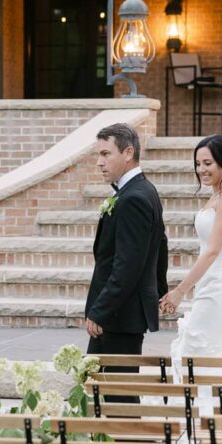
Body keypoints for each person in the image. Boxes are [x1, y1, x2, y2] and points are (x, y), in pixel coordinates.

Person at [160, 134, 222, 373]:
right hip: (211, 282)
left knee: (196, 352)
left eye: (207, 163)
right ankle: (207, 407)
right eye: (198, 164)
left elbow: (212, 251)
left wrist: (179, 292)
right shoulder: (217, 194)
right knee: (202, 353)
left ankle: (212, 406)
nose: (201, 170)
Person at [85, 123, 169, 370]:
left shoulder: (134, 198)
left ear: (128, 153)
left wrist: (100, 311)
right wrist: (158, 290)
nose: (99, 162)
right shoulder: (142, 190)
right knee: (103, 389)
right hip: (121, 313)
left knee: (116, 395)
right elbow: (161, 244)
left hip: (119, 316)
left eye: (105, 154)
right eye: (98, 155)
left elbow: (127, 266)